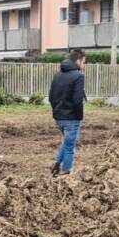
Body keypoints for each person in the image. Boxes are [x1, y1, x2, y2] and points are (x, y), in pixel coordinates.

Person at [48, 48, 86, 176]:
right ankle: (66, 172)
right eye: (84, 62)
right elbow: (77, 101)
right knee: (70, 148)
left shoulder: (57, 75)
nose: (84, 65)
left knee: (67, 142)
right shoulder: (78, 76)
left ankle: (57, 164)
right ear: (78, 61)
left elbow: (51, 97)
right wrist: (79, 117)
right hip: (71, 118)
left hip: (58, 118)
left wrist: (57, 111)